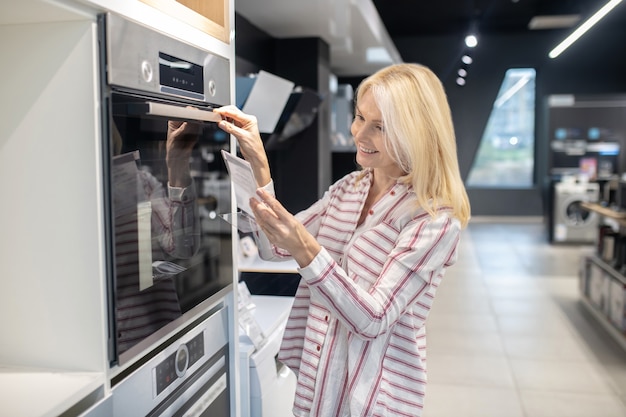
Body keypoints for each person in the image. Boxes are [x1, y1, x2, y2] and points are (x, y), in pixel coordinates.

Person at [215, 63, 470, 417]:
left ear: (417, 133)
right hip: (318, 386)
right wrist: (258, 162)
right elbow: (274, 247)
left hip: (374, 398)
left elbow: (373, 318)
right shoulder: (350, 187)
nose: (359, 134)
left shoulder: (434, 219)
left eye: (379, 127)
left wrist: (306, 247)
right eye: (359, 117)